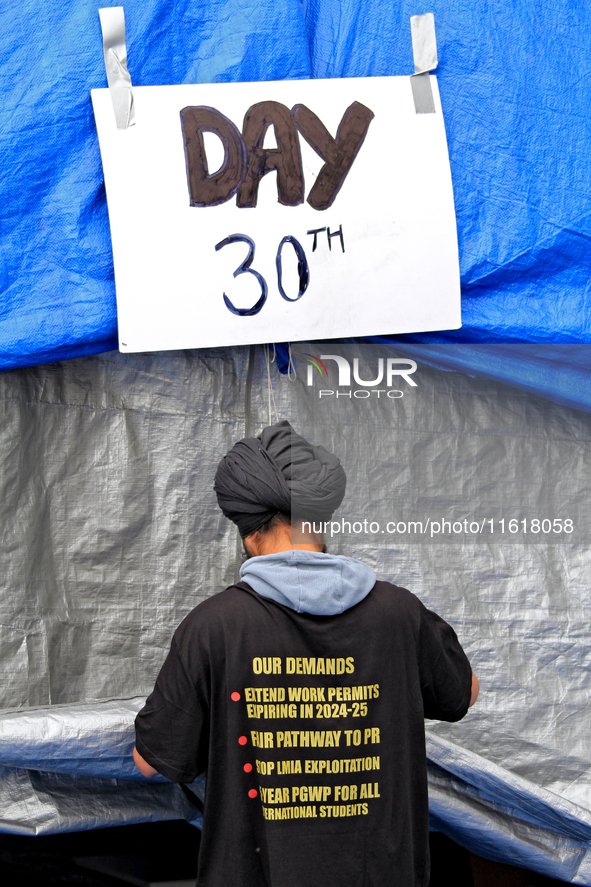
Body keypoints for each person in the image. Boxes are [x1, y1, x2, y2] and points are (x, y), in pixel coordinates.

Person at [133, 420, 478, 887]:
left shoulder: (213, 626)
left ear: (247, 530)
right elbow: (465, 692)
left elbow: (152, 761)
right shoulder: (401, 614)